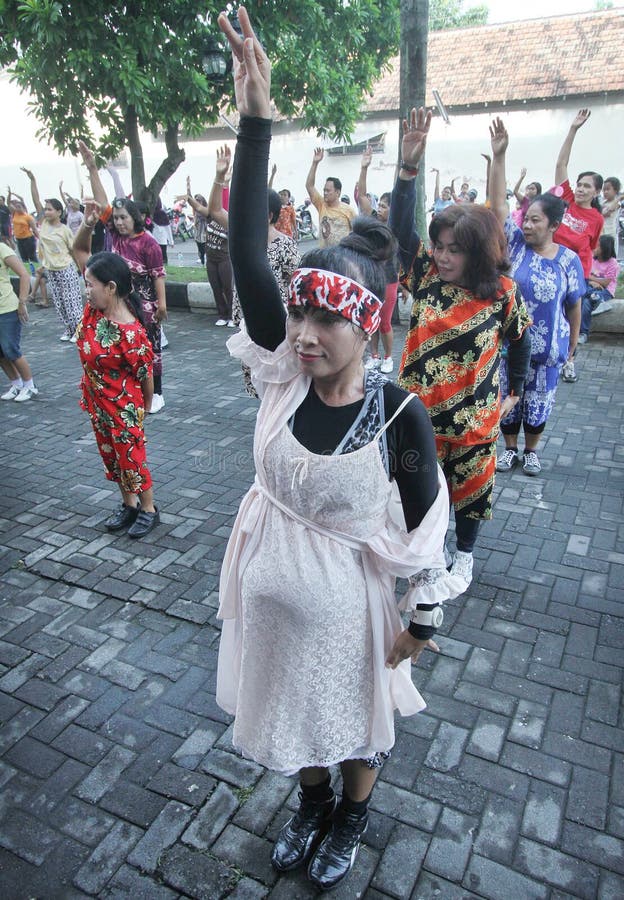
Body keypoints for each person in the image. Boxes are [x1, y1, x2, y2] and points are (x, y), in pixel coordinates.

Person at [215, 9, 462, 892]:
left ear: (367, 326)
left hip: (350, 619)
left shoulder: (398, 417)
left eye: (327, 320)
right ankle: (310, 803)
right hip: (271, 602)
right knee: (292, 719)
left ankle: (350, 815)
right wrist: (255, 120)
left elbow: (429, 530)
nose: (305, 335)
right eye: (299, 314)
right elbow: (248, 252)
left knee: (353, 725)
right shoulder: (284, 380)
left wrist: (421, 622)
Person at [390, 107, 531, 590]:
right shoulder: (426, 275)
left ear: (478, 250)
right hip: (417, 416)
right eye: (440, 247)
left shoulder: (503, 292)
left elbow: (520, 340)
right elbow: (401, 231)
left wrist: (516, 390)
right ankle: (427, 552)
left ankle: (464, 555)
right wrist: (408, 168)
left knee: (471, 494)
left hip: (474, 420)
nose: (444, 256)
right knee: (415, 488)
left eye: (455, 249)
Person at [488, 118, 584, 477]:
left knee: (538, 404)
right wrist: (500, 157)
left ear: (554, 225)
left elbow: (573, 304)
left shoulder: (568, 260)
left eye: (536, 221)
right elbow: (498, 208)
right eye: (526, 219)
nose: (527, 225)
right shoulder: (514, 245)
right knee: (508, 400)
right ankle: (510, 449)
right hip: (509, 346)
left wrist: (572, 346)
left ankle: (531, 451)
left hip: (548, 350)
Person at [73, 205, 160, 538]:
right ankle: (129, 504)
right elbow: (80, 250)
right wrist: (89, 223)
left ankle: (148, 509)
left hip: (124, 406)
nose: (87, 289)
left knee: (131, 457)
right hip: (97, 401)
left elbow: (146, 376)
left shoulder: (131, 332)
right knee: (111, 456)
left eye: (90, 285)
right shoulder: (94, 311)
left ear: (110, 287)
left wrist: (144, 408)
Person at [78, 141, 167, 413]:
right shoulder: (115, 237)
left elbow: (158, 275)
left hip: (144, 305)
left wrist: (162, 305)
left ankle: (155, 394)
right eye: (115, 218)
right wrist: (93, 169)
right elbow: (101, 203)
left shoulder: (148, 243)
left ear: (135, 218)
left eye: (123, 217)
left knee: (148, 350)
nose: (118, 222)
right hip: (117, 303)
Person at [21, 168, 83, 342]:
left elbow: (73, 251)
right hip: (51, 270)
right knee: (60, 303)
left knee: (72, 303)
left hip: (66, 269)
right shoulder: (44, 224)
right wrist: (32, 180)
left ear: (58, 212)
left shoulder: (64, 230)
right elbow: (36, 201)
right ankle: (69, 330)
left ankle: (79, 331)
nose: (46, 212)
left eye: (50, 209)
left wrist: (81, 269)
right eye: (46, 209)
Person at [357, 146, 398, 373]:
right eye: (379, 205)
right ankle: (373, 356)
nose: (379, 209)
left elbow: (400, 195)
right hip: (371, 278)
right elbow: (362, 196)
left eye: (384, 206)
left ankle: (388, 357)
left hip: (389, 280)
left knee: (385, 322)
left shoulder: (394, 226)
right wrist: (364, 168)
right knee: (371, 320)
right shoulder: (372, 221)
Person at [551, 108, 603, 287]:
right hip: (553, 266)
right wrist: (573, 129)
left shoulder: (597, 218)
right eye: (579, 184)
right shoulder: (567, 199)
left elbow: (591, 248)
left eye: (587, 186)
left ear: (596, 192)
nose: (580, 189)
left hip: (576, 273)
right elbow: (561, 164)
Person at [187, 153, 235, 327]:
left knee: (228, 288)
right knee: (216, 287)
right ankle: (222, 314)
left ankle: (233, 315)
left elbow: (224, 200)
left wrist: (225, 181)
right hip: (211, 258)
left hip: (224, 258)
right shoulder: (210, 216)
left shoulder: (229, 220)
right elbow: (196, 205)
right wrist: (188, 192)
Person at [0, 240, 38, 402]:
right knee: (1, 353)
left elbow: (24, 274)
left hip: (7, 308)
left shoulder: (2, 248)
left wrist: (22, 302)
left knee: (11, 349)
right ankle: (16, 383)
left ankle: (30, 385)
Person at [305, 149, 355, 247]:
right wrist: (315, 163)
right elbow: (309, 186)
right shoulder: (321, 205)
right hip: (325, 254)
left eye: (328, 191)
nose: (325, 193)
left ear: (338, 192)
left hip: (342, 254)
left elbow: (357, 233)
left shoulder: (349, 211)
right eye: (324, 190)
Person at [578, 235, 619, 344]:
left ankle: (583, 333)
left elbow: (606, 283)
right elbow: (583, 275)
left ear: (605, 248)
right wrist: (593, 282)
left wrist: (591, 278)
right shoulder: (591, 259)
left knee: (587, 298)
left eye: (597, 246)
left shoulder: (613, 263)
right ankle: (583, 333)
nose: (594, 248)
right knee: (586, 300)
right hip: (591, 288)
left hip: (606, 291)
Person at [601, 176, 621, 251]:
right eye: (604, 190)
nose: (605, 192)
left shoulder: (617, 203)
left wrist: (619, 198)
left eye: (608, 189)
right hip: (602, 232)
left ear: (615, 190)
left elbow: (606, 212)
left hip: (610, 233)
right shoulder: (603, 202)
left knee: (610, 253)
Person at [151, 199, 174, 264]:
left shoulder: (151, 213)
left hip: (157, 239)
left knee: (158, 258)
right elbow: (168, 228)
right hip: (160, 239)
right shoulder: (161, 213)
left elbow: (167, 228)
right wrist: (171, 241)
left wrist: (171, 241)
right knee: (162, 258)